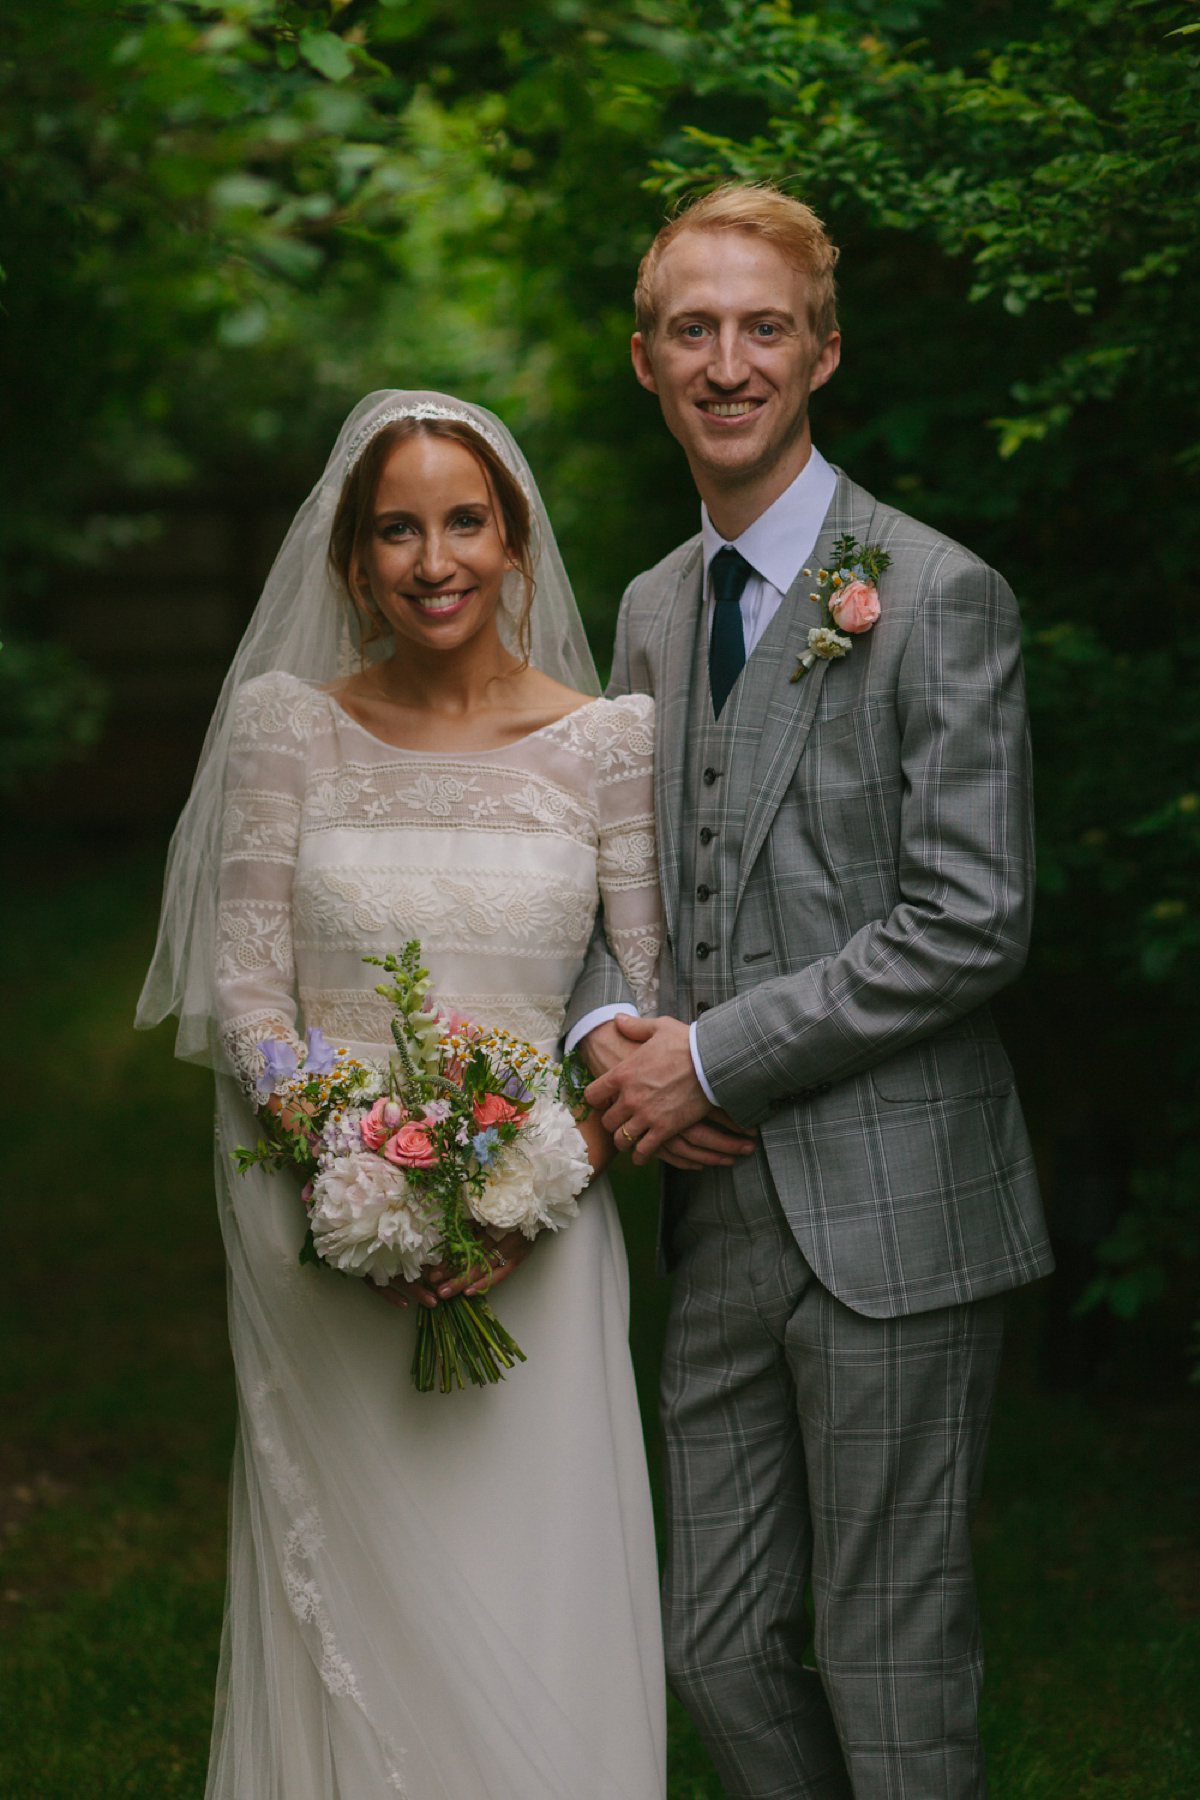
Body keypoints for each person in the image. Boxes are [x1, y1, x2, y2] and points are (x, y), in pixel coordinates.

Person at [566, 185, 1054, 1799]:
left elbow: (971, 917)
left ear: (823, 352)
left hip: (899, 1218)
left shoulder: (933, 593)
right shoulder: (645, 611)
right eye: (692, 329)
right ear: (643, 361)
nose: (728, 361)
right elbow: (600, 882)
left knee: (893, 1653)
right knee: (710, 1647)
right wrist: (604, 1038)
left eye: (762, 326)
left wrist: (708, 1056)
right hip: (716, 1221)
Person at [137, 391, 670, 1800]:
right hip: (333, 1241)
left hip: (543, 1244)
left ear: (513, 544)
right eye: (398, 529)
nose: (433, 559)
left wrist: (524, 1188)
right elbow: (249, 992)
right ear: (353, 562)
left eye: (462, 522)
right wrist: (353, 1171)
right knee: (369, 1616)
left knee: (534, 1595)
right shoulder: (284, 729)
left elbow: (638, 1004)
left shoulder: (611, 742)